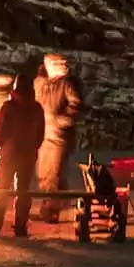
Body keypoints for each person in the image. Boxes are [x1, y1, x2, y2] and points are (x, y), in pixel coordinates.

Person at [0, 74, 46, 238]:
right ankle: (20, 226)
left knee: (1, 189)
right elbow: (40, 134)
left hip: (9, 153)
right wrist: (32, 149)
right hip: (28, 155)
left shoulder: (9, 107)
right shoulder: (37, 108)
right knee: (23, 191)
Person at [33, 53, 86, 223]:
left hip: (59, 137)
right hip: (43, 134)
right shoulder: (42, 84)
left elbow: (76, 105)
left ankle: (52, 209)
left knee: (53, 174)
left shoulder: (68, 84)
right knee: (43, 172)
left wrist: (61, 119)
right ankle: (53, 204)